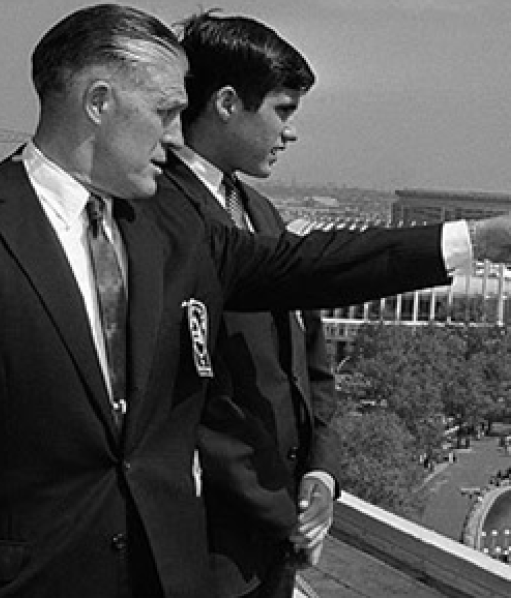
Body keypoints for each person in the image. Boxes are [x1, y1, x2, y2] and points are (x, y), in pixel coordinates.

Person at [0, 5, 511, 596]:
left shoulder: (171, 232)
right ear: (99, 103)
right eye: (165, 111)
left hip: (170, 574)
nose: (174, 133)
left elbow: (310, 267)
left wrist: (476, 238)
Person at [168, 11, 338, 598]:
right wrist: (279, 512)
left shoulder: (264, 216)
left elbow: (310, 359)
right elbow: (192, 402)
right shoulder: (164, 220)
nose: (290, 133)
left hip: (276, 546)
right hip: (208, 548)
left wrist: (320, 471)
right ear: (226, 103)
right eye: (282, 111)